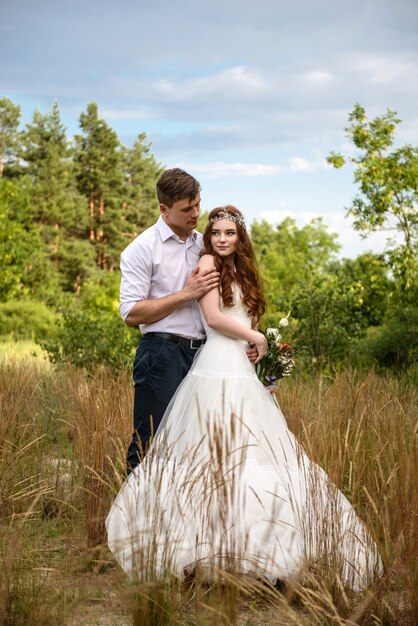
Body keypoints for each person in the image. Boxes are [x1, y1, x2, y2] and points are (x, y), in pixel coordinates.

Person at [107, 206, 382, 590]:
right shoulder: (206, 263)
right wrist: (255, 338)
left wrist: (259, 361)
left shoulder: (245, 271)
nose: (221, 239)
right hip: (215, 364)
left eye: (229, 233)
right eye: (215, 232)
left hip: (239, 365)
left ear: (240, 238)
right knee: (208, 451)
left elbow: (248, 319)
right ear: (209, 236)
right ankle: (197, 548)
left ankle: (259, 547)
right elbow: (214, 318)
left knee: (256, 450)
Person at [119, 168, 219, 472]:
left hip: (204, 354)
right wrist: (184, 294)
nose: (196, 213)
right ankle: (136, 518)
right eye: (187, 209)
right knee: (150, 442)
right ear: (164, 209)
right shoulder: (141, 248)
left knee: (195, 443)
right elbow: (131, 313)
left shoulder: (204, 244)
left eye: (198, 205)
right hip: (162, 354)